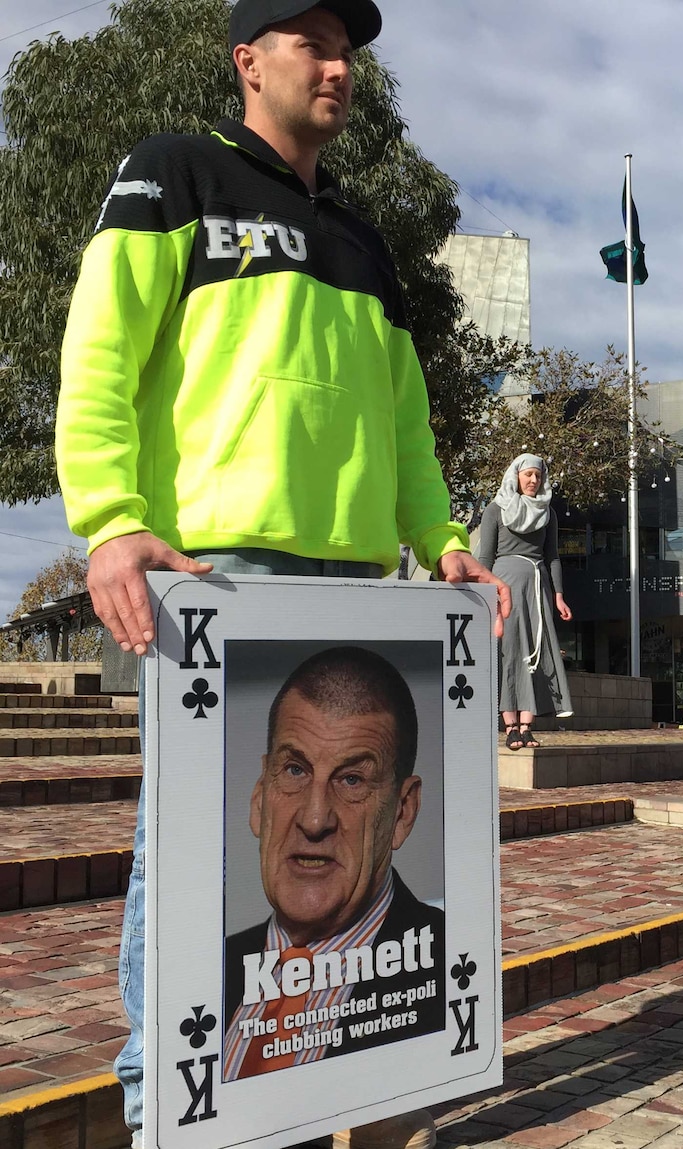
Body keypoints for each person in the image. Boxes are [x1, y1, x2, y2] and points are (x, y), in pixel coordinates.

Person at [55, 2, 509, 1144]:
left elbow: (405, 423)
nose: (339, 64)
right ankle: (165, 1105)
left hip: (357, 579)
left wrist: (443, 536)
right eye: (311, 41)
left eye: (347, 46)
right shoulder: (172, 176)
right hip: (220, 572)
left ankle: (324, 1093)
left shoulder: (365, 240)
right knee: (194, 856)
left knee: (340, 879)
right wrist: (109, 521)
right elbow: (100, 348)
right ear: (248, 60)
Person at [223, 647, 444, 1080]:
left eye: (352, 780)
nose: (314, 819)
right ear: (259, 798)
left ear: (403, 812)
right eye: (294, 771)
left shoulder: (445, 968)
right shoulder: (207, 969)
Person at [475, 454, 573, 750]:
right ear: (515, 476)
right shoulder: (496, 509)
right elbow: (485, 557)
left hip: (537, 586)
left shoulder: (548, 513)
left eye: (538, 476)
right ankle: (510, 726)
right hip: (504, 587)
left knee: (537, 650)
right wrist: (485, 592)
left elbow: (552, 556)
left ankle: (527, 726)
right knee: (509, 651)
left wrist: (558, 596)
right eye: (528, 474)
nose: (533, 480)